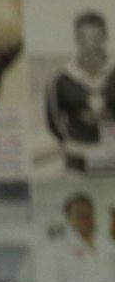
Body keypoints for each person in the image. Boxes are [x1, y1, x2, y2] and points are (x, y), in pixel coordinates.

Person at [45, 11, 115, 173]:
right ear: (76, 39)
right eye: (84, 37)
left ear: (105, 37)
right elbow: (53, 119)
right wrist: (70, 142)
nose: (90, 43)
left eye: (96, 36)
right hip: (77, 154)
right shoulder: (61, 78)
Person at [36, 192, 115, 282]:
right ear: (68, 218)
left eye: (89, 214)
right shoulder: (54, 249)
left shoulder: (109, 246)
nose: (86, 219)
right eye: (79, 215)